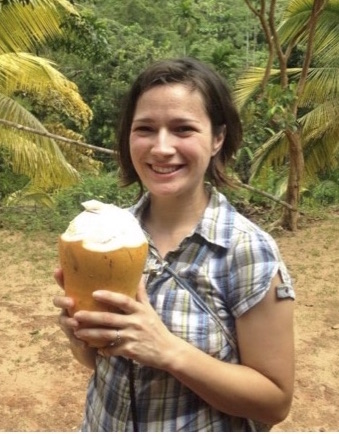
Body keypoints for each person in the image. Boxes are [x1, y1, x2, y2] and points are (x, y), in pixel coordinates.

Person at [53, 57, 295, 432]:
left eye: (183, 129)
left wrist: (168, 351)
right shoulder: (107, 235)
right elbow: (101, 363)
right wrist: (82, 337)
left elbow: (274, 402)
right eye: (145, 128)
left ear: (217, 138)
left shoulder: (246, 250)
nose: (161, 147)